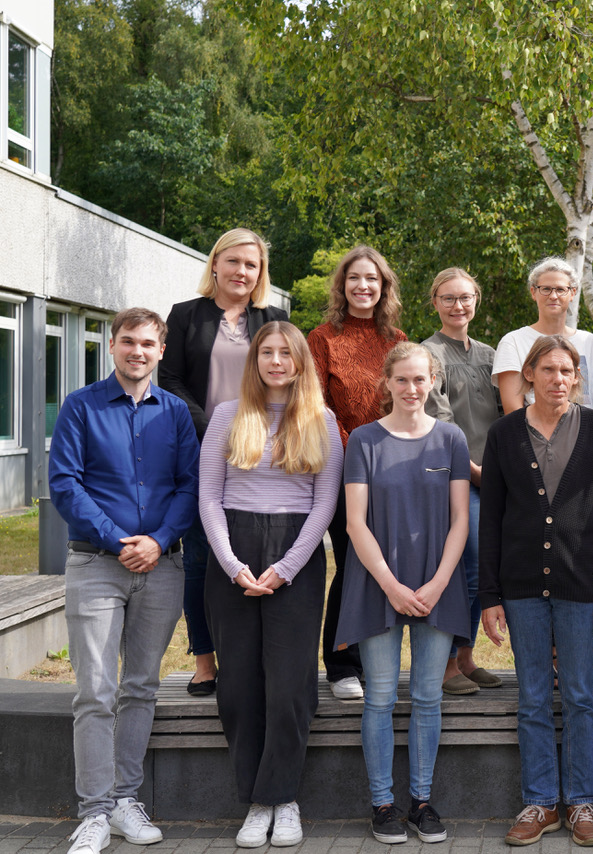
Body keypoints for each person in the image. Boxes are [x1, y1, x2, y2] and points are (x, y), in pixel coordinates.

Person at [49, 308, 199, 854]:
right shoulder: (80, 407)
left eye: (148, 344)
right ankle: (92, 813)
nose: (138, 352)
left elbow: (190, 486)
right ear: (112, 346)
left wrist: (157, 541)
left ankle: (124, 801)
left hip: (163, 566)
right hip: (96, 565)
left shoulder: (177, 413)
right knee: (95, 690)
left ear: (161, 352)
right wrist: (120, 541)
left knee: (140, 687)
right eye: (128, 342)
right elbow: (66, 486)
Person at [478, 336, 593, 847]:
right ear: (529, 374)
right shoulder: (503, 434)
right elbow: (491, 519)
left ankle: (582, 802)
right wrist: (490, 594)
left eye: (568, 371)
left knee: (581, 696)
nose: (558, 379)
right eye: (548, 370)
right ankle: (540, 802)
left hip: (580, 583)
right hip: (519, 586)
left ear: (578, 377)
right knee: (533, 697)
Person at [199, 321, 342, 848]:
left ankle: (284, 798)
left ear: (301, 362)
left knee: (289, 686)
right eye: (267, 352)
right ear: (254, 360)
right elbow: (209, 498)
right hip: (231, 552)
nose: (277, 361)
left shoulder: (321, 420)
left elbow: (325, 504)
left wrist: (286, 567)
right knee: (238, 685)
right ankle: (256, 802)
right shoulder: (226, 416)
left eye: (287, 353)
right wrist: (234, 565)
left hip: (295, 556)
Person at [334, 342, 471, 845]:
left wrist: (435, 585)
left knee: (428, 697)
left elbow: (461, 520)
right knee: (381, 698)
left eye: (421, 379)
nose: (413, 389)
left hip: (439, 583)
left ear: (434, 379)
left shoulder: (451, 438)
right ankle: (383, 805)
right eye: (402, 380)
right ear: (386, 384)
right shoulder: (364, 441)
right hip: (378, 584)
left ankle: (422, 801)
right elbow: (354, 522)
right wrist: (392, 586)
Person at [160, 227, 289, 696]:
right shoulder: (185, 316)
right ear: (215, 263)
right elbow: (170, 380)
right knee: (201, 555)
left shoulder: (273, 318)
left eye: (251, 265)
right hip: (201, 450)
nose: (241, 271)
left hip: (268, 458)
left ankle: (253, 657)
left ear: (261, 273)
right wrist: (217, 429)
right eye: (233, 261)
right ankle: (205, 659)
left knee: (259, 555)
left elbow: (290, 380)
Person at [307, 245, 410, 702]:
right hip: (343, 469)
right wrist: (358, 452)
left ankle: (376, 659)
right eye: (354, 279)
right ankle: (341, 664)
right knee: (351, 566)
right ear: (342, 286)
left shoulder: (397, 339)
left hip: (393, 471)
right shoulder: (322, 338)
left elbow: (407, 401)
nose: (363, 286)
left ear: (384, 285)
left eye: (372, 279)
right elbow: (316, 407)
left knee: (385, 566)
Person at [423, 268, 505, 695]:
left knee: (486, 570)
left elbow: (507, 414)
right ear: (434, 302)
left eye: (466, 297)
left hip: (494, 479)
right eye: (449, 298)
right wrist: (475, 473)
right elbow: (440, 422)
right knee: (466, 569)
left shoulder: (491, 355)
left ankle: (467, 655)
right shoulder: (427, 353)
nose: (459, 306)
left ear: (476, 300)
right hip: (455, 477)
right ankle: (446, 665)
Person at [492, 257, 593, 413]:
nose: (553, 296)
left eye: (560, 289)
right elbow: (513, 411)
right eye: (546, 289)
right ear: (533, 292)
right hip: (534, 435)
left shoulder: (591, 342)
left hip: (587, 435)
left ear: (572, 293)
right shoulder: (513, 342)